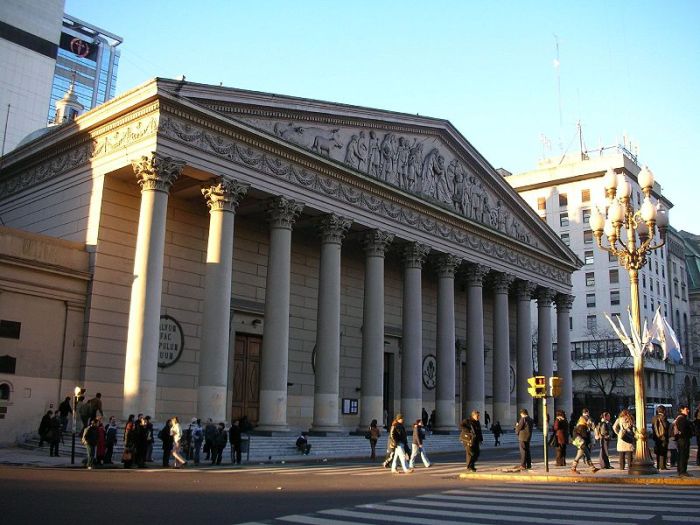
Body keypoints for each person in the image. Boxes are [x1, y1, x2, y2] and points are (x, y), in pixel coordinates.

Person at [675, 404, 694, 477]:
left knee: (682, 455)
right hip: (683, 439)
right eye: (686, 409)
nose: (688, 411)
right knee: (683, 455)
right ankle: (682, 471)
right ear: (681, 410)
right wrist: (689, 433)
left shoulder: (681, 418)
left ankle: (681, 471)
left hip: (682, 439)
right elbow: (683, 430)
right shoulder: (682, 419)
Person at [651, 405, 670, 470]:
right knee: (663, 451)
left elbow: (653, 427)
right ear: (664, 410)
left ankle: (658, 465)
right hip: (663, 437)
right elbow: (665, 426)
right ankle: (663, 466)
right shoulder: (663, 417)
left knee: (658, 451)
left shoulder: (654, 417)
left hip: (656, 436)